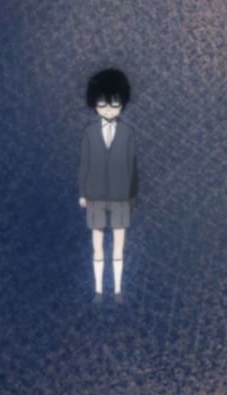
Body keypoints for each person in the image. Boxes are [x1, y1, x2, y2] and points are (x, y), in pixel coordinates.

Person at [78, 68, 138, 304]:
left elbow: (132, 165)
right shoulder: (90, 133)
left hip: (121, 195)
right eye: (103, 104)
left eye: (114, 104)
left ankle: (118, 290)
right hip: (95, 195)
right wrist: (83, 192)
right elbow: (84, 164)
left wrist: (132, 194)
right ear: (94, 104)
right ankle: (99, 290)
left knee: (118, 248)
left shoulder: (127, 132)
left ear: (122, 103)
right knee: (98, 247)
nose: (109, 109)